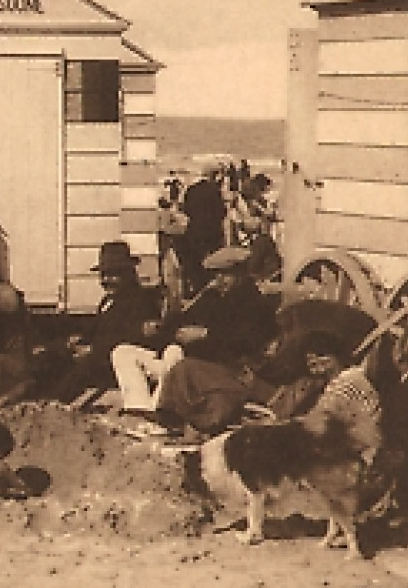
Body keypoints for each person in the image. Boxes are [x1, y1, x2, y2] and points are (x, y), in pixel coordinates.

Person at [142, 245, 280, 436]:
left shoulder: (255, 304)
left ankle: (172, 420)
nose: (219, 281)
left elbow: (246, 340)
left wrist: (206, 335)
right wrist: (164, 327)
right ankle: (175, 420)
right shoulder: (216, 298)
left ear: (241, 274)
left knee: (185, 369)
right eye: (216, 276)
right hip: (219, 367)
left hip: (242, 371)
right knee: (183, 365)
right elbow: (185, 319)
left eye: (225, 275)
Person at [51, 241, 163, 405]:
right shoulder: (108, 300)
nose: (106, 280)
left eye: (112, 275)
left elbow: (134, 336)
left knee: (84, 367)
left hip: (120, 363)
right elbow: (98, 328)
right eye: (103, 275)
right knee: (54, 354)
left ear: (128, 274)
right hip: (101, 355)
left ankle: (58, 404)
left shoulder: (140, 300)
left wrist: (93, 349)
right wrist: (78, 340)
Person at [179, 164, 228, 296]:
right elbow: (222, 212)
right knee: (214, 262)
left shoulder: (192, 189)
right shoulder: (214, 190)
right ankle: (210, 291)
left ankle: (197, 289)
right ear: (215, 175)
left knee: (195, 262)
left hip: (194, 230)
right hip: (212, 231)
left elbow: (185, 209)